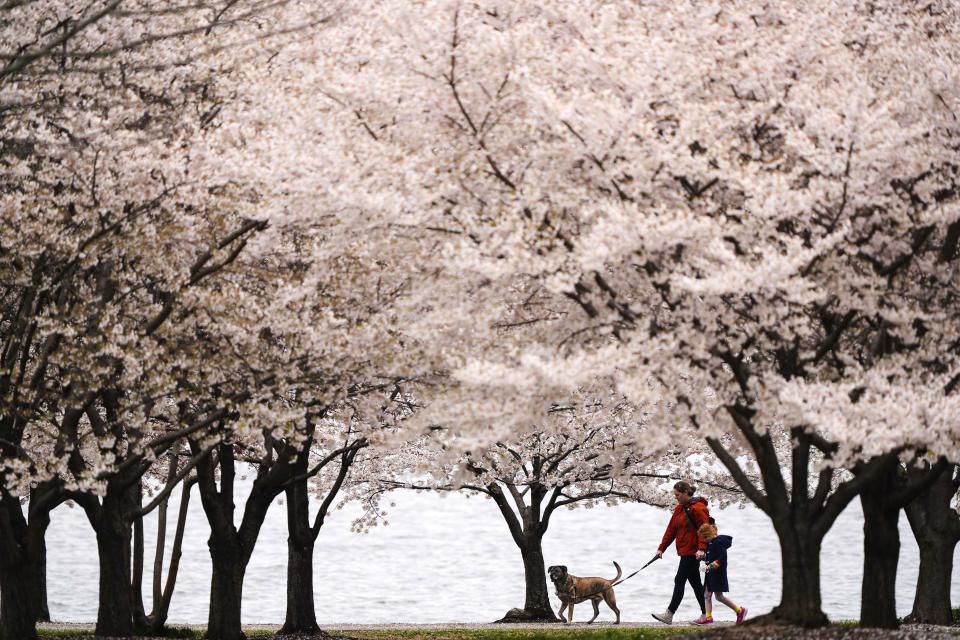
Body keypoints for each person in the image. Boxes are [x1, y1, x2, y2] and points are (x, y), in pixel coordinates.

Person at [650, 481, 710, 625]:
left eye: (677, 495)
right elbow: (671, 530)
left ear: (685, 493)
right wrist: (661, 548)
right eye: (674, 495)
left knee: (679, 580)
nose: (675, 497)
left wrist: (701, 549)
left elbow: (705, 529)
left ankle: (669, 614)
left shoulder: (699, 508)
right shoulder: (679, 509)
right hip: (684, 551)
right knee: (696, 584)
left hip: (693, 552)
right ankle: (706, 614)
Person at [694, 522, 747, 625]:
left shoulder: (718, 542)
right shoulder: (710, 543)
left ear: (708, 535)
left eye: (704, 538)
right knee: (707, 595)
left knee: (719, 597)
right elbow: (711, 556)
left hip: (718, 574)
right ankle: (708, 617)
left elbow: (722, 558)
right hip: (710, 573)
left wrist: (711, 566)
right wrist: (703, 557)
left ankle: (740, 611)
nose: (703, 541)